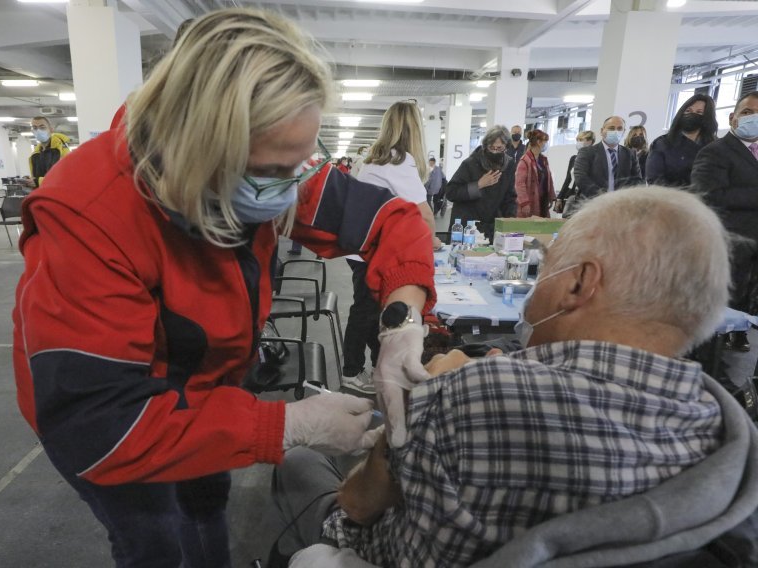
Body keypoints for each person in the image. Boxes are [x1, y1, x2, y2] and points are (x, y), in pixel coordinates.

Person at [12, 10, 436, 568]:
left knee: (207, 504)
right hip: (120, 411)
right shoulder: (89, 218)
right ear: (202, 153)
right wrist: (287, 424)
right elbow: (100, 426)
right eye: (272, 171)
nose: (290, 189)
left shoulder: (267, 168)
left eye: (298, 168)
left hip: (208, 385)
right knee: (157, 535)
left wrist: (401, 324)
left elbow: (394, 221)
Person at [272, 186, 758, 568]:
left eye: (545, 265)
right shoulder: (722, 426)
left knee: (297, 463)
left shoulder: (470, 393)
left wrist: (423, 407)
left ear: (578, 283)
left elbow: (356, 507)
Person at [341, 100, 440, 396]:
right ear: (413, 130)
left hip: (362, 247)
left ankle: (371, 366)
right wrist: (431, 244)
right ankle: (352, 371)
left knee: (370, 310)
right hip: (368, 250)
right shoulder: (398, 160)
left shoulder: (376, 158)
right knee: (366, 311)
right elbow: (424, 212)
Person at [691, 90, 758, 353]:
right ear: (733, 117)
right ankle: (715, 355)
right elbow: (709, 195)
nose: (754, 118)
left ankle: (741, 331)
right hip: (732, 240)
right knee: (728, 297)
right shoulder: (715, 152)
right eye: (747, 112)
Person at [445, 125, 517, 240]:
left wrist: (510, 219)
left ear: (506, 147)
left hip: (492, 227)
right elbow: (451, 192)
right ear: (485, 146)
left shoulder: (509, 165)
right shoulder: (470, 163)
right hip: (467, 226)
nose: (494, 151)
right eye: (491, 148)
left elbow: (510, 197)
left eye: (499, 148)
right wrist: (478, 185)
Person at [646, 94, 718, 187]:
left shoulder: (714, 146)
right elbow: (654, 179)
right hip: (667, 198)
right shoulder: (661, 143)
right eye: (688, 110)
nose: (692, 114)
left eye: (699, 112)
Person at [573, 115, 642, 199]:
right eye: (611, 128)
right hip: (593, 203)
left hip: (622, 204)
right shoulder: (587, 152)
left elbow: (637, 180)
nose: (616, 131)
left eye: (620, 128)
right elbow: (581, 177)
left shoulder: (630, 154)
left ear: (624, 131)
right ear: (602, 131)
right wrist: (603, 197)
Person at [515, 129, 555, 217]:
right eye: (545, 141)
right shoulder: (525, 161)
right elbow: (519, 184)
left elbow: (549, 179)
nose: (546, 144)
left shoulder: (543, 160)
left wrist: (551, 196)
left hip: (543, 201)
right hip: (530, 202)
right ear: (538, 142)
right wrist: (524, 202)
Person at [553, 130, 595, 215]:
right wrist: (559, 198)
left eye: (581, 140)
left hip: (586, 197)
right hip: (572, 194)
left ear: (590, 141)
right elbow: (568, 179)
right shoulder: (574, 158)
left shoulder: (594, 158)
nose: (578, 142)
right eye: (578, 140)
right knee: (566, 217)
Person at [24, 115, 70, 188]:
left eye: (42, 127)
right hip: (42, 195)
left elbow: (65, 178)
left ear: (51, 130)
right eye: (35, 128)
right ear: (32, 131)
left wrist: (38, 182)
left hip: (59, 195)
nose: (38, 131)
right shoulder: (35, 155)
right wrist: (29, 181)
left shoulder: (62, 151)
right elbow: (37, 178)